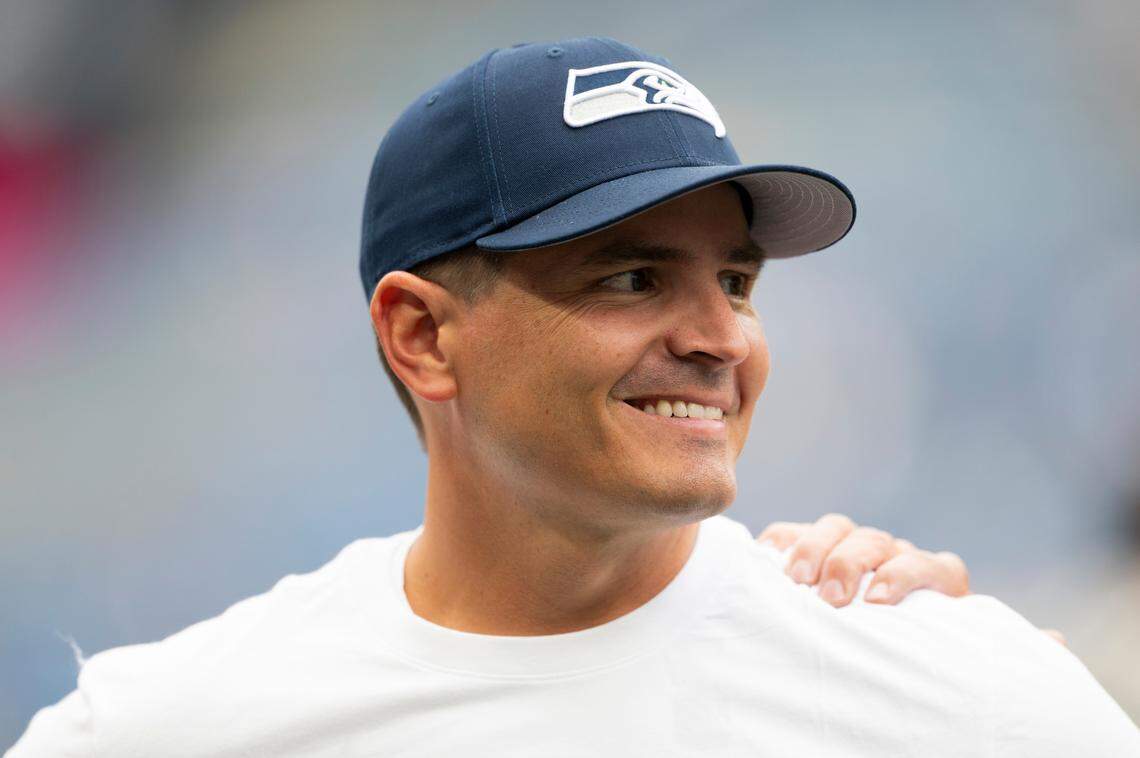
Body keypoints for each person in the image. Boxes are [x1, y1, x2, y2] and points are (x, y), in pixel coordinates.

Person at [8, 36, 1137, 757]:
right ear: (421, 334)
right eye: (633, 276)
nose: (719, 338)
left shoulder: (955, 693)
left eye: (736, 281)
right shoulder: (177, 725)